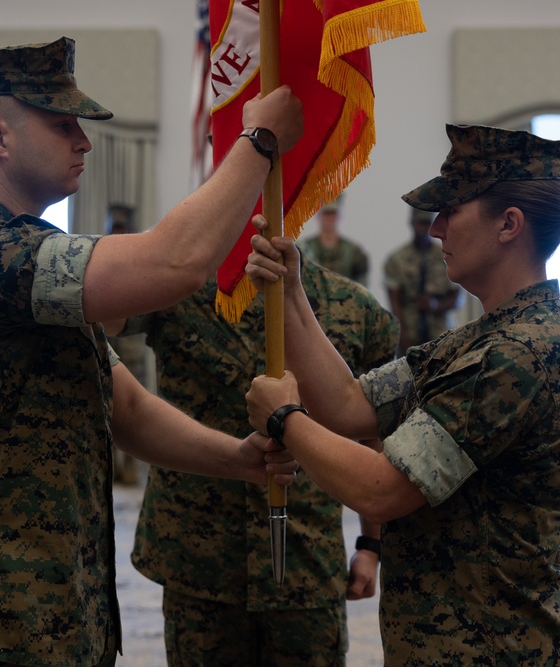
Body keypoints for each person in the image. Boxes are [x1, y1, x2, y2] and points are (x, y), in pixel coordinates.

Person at [0, 36, 302, 667]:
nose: (83, 141)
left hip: (61, 621)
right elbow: (177, 262)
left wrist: (240, 461)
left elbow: (127, 408)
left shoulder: (30, 257)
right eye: (62, 125)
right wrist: (257, 144)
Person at [245, 123, 560, 666]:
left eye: (451, 210)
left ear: (509, 224)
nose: (435, 228)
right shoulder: (482, 339)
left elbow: (384, 491)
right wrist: (293, 295)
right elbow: (350, 407)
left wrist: (285, 421)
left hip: (494, 648)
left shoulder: (519, 354)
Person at [108, 256, 398, 666]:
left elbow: (374, 434)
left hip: (306, 563)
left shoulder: (354, 308)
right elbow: (106, 311)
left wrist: (370, 545)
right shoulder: (180, 288)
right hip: (199, 561)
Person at [102, 203, 146, 485]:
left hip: (131, 345)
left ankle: (129, 468)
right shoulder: (102, 253)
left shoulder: (139, 254)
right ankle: (111, 468)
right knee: (106, 405)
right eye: (114, 228)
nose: (118, 232)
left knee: (134, 407)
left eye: (122, 228)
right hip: (108, 342)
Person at [383, 207, 460, 350]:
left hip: (443, 336)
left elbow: (457, 299)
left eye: (427, 223)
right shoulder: (396, 260)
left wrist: (435, 305)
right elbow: (395, 303)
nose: (423, 228)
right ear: (411, 223)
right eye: (420, 223)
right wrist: (402, 337)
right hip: (410, 335)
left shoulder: (447, 256)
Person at [297, 192, 369, 285]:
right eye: (326, 213)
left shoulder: (355, 252)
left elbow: (362, 288)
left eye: (333, 213)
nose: (330, 218)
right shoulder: (302, 249)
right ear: (318, 215)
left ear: (340, 216)